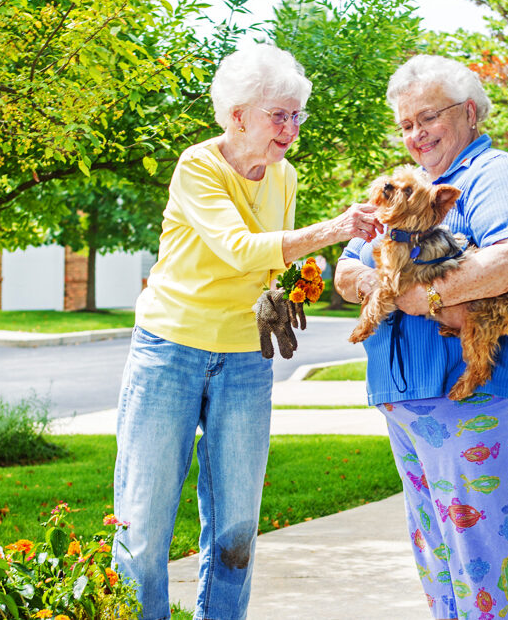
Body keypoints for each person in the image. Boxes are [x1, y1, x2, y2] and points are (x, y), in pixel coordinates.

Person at [112, 43, 381, 620]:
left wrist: (285, 290)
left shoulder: (283, 176)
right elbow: (237, 249)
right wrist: (332, 230)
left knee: (237, 524)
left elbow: (267, 263)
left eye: (296, 115)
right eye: (278, 114)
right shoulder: (198, 166)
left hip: (243, 361)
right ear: (237, 116)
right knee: (143, 520)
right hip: (170, 350)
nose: (290, 127)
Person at [335, 54, 508, 620]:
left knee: (485, 560)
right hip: (410, 402)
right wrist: (379, 280)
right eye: (406, 124)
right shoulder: (405, 190)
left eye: (427, 118)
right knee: (440, 559)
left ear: (468, 113)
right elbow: (344, 274)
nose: (415, 135)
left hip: (481, 398)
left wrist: (413, 295)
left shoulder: (497, 175)